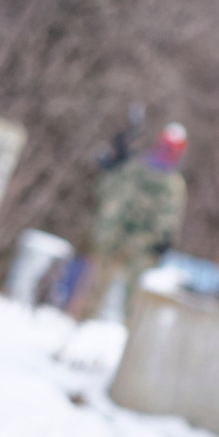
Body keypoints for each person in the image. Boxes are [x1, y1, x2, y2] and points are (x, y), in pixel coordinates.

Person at [72, 121, 185, 322]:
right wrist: (113, 166)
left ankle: (129, 340)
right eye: (163, 147)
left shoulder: (172, 185)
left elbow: (167, 221)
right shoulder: (133, 169)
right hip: (114, 238)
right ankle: (78, 328)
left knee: (135, 302)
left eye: (170, 149)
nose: (164, 153)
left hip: (141, 247)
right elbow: (108, 197)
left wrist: (160, 241)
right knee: (93, 289)